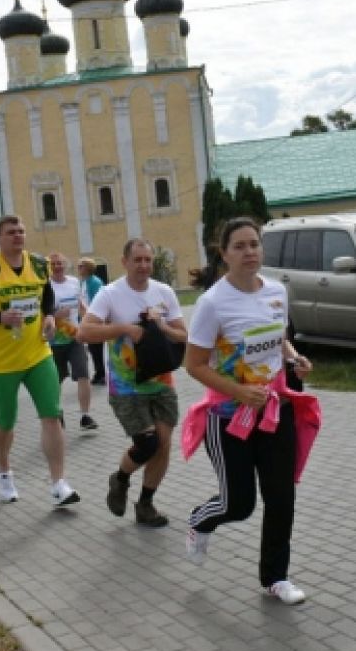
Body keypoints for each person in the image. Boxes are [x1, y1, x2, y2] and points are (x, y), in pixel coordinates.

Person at [182, 217, 318, 605]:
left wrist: (295, 358)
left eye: (254, 244)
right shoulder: (212, 303)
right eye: (239, 246)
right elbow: (194, 364)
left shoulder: (276, 291)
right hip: (227, 419)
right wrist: (239, 392)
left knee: (281, 497)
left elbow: (278, 338)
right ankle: (200, 521)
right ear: (223, 253)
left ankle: (276, 577)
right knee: (238, 504)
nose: (249, 252)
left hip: (274, 412)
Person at [0, 215, 79, 507]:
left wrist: (49, 316)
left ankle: (58, 483)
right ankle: (3, 472)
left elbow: (46, 296)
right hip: (2, 361)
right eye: (12, 232)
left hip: (38, 354)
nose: (18, 236)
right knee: (5, 423)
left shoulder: (38, 264)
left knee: (51, 415)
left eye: (22, 231)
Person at [80, 240, 186, 526]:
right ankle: (121, 478)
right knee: (148, 444)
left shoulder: (164, 292)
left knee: (163, 444)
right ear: (124, 261)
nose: (143, 266)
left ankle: (146, 504)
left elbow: (183, 335)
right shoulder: (110, 293)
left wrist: (162, 327)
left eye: (147, 260)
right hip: (127, 387)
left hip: (162, 382)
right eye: (137, 260)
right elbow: (84, 332)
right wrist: (126, 329)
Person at [48, 252, 97, 432]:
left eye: (60, 263)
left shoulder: (74, 283)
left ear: (66, 265)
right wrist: (55, 314)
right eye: (53, 264)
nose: (57, 266)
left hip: (75, 338)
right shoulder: (45, 286)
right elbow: (39, 314)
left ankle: (85, 416)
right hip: (53, 342)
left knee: (83, 375)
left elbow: (81, 306)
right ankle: (56, 411)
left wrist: (90, 321)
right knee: (55, 381)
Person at [78, 257, 107, 385]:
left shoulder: (95, 282)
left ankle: (102, 374)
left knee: (97, 348)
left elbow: (99, 302)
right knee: (92, 348)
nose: (78, 268)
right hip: (86, 319)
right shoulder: (83, 282)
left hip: (95, 320)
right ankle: (99, 372)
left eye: (81, 266)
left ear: (88, 268)